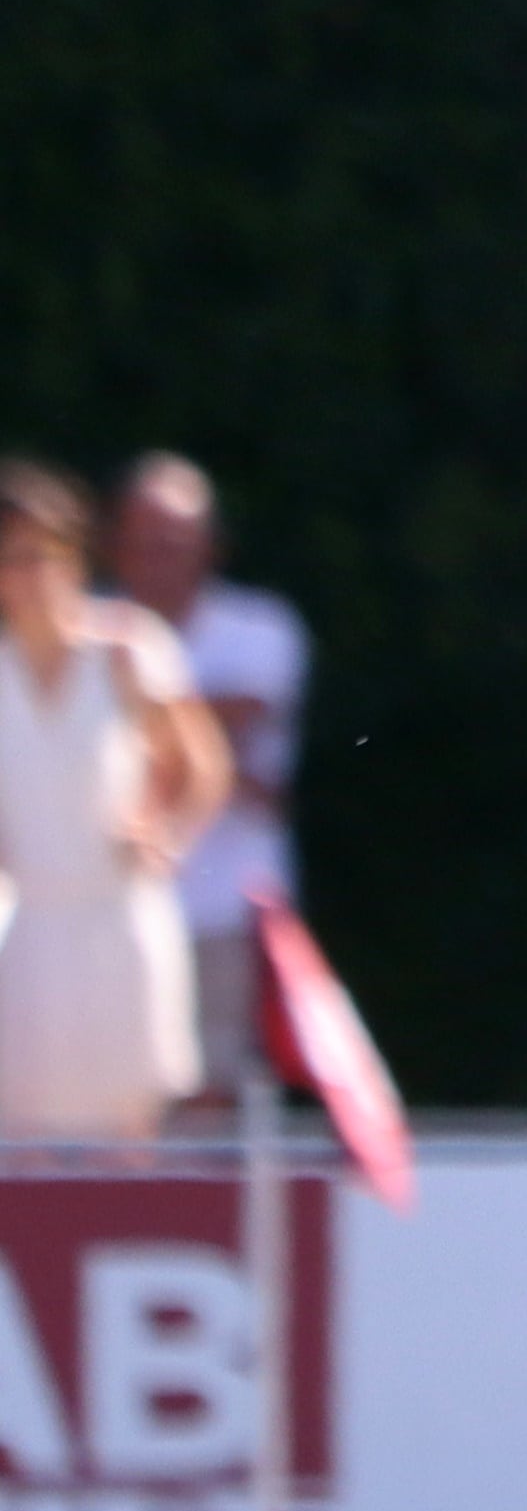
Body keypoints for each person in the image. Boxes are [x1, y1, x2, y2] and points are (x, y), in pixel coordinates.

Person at [0, 458, 232, 1138]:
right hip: (26, 929)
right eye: (11, 559)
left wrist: (167, 831)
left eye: (41, 555)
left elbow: (203, 763)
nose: (28, 576)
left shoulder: (128, 649)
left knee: (130, 1129)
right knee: (21, 1129)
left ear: (72, 556)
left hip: (119, 919)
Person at [108, 452, 312, 1095]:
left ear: (210, 546)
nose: (159, 557)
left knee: (216, 1084)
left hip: (228, 903)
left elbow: (238, 719)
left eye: (175, 541)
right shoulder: (95, 632)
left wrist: (123, 718)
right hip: (112, 907)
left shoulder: (262, 628)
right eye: (144, 542)